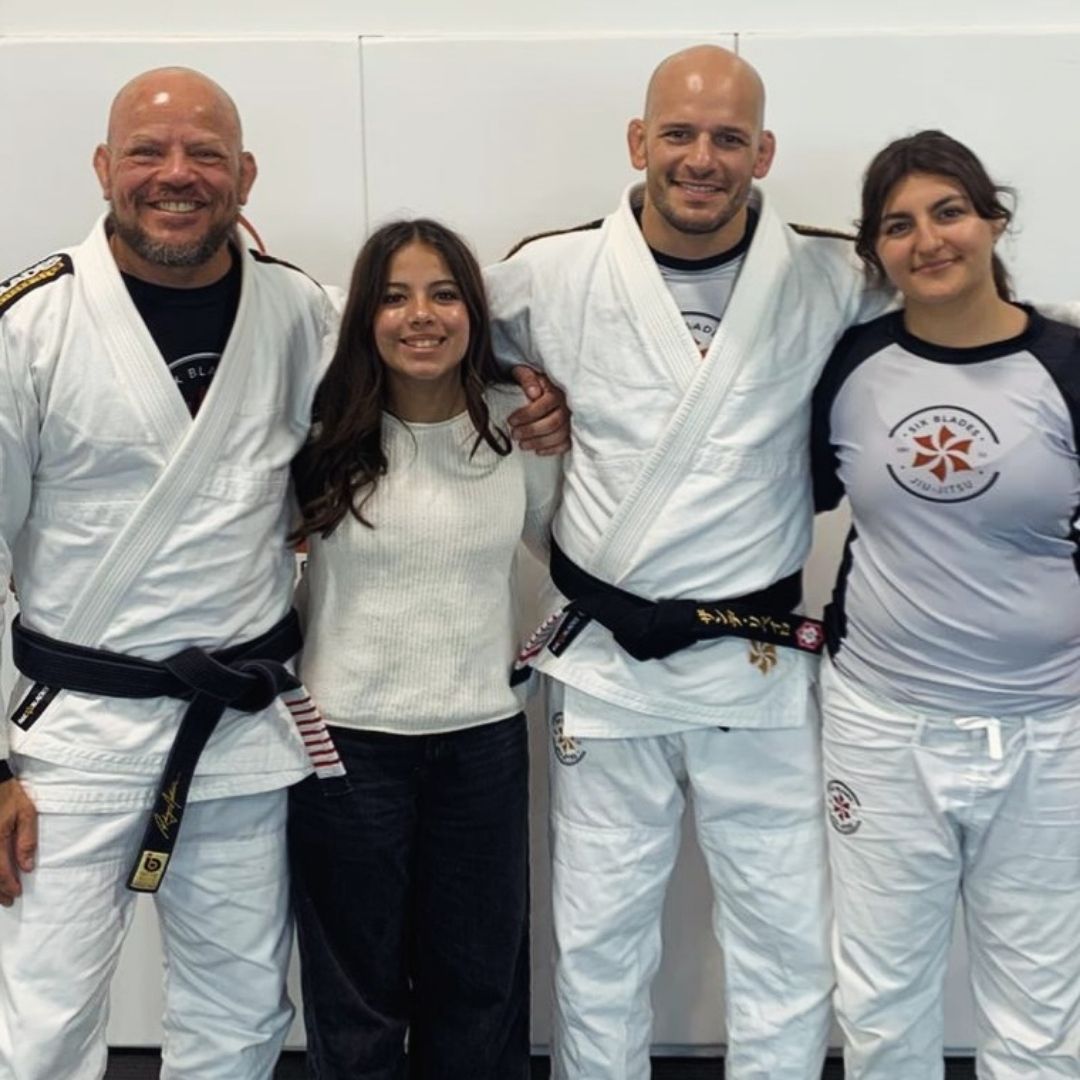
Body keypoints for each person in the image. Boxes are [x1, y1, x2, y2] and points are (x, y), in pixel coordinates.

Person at [0, 69, 565, 1080]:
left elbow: (411, 366)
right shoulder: (29, 325)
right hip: (80, 728)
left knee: (242, 1013)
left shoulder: (298, 311)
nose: (178, 174)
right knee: (42, 1020)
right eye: (149, 151)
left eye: (205, 153)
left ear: (244, 174)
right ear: (102, 168)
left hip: (245, 730)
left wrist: (527, 403)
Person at [484, 44, 888, 1079]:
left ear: (763, 150)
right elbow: (415, 344)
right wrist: (519, 408)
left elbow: (962, 319)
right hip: (607, 659)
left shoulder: (831, 272)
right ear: (638, 141)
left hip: (755, 657)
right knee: (602, 938)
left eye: (726, 138)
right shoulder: (550, 271)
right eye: (678, 133)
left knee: (786, 935)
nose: (700, 158)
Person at [812, 130, 1080, 1079]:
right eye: (898, 224)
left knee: (1040, 1010)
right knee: (881, 1003)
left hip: (1051, 731)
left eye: (949, 211)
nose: (928, 239)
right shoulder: (849, 368)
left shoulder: (1069, 362)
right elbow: (786, 500)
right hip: (883, 726)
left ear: (993, 220)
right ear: (874, 252)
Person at [286, 218, 560, 1079]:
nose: (421, 315)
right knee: (356, 994)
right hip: (344, 750)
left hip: (480, 745)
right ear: (365, 315)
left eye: (443, 293)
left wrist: (528, 663)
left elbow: (580, 564)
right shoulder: (321, 432)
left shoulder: (520, 428)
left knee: (478, 987)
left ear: (475, 312)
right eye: (396, 296)